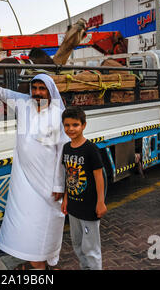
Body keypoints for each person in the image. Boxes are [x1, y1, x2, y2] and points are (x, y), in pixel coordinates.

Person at [0, 74, 69, 270]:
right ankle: (35, 263)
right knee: (25, 225)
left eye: (41, 88)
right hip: (24, 181)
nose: (37, 92)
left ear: (50, 91)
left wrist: (59, 185)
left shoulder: (58, 116)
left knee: (44, 225)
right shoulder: (23, 103)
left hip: (48, 185)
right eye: (34, 87)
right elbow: (1, 92)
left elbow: (62, 153)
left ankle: (41, 264)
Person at [61, 106, 107, 270]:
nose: (71, 129)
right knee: (78, 245)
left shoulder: (90, 149)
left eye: (75, 125)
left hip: (89, 209)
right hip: (73, 207)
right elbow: (68, 176)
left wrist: (100, 202)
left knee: (91, 249)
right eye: (67, 125)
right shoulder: (66, 148)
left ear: (84, 125)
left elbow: (99, 177)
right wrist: (66, 199)